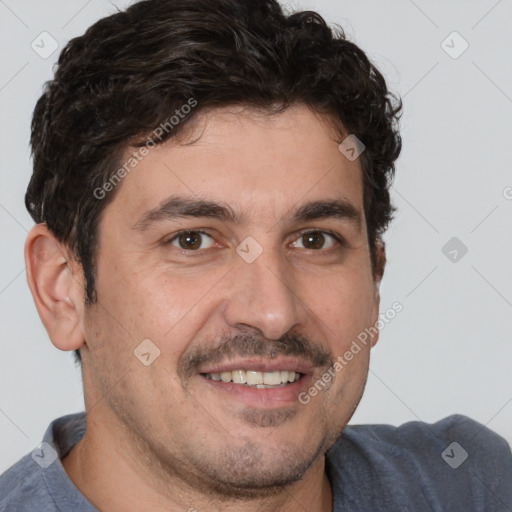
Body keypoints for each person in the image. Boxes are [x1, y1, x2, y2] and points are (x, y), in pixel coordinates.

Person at [1, 0, 511, 510]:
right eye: (192, 240)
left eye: (315, 240)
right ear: (62, 289)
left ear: (375, 283)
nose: (273, 313)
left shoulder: (471, 486)